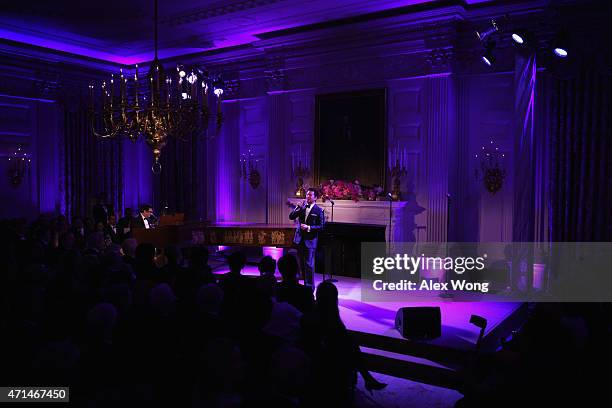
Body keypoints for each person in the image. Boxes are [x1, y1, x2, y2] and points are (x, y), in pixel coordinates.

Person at [289, 188, 325, 291]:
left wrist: (309, 227)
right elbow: (291, 217)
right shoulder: (302, 208)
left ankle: (310, 289)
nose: (307, 196)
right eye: (307, 195)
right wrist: (297, 207)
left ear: (315, 198)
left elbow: (321, 226)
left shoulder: (319, 210)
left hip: (310, 241)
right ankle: (305, 288)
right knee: (302, 266)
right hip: (300, 240)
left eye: (310, 195)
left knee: (309, 265)